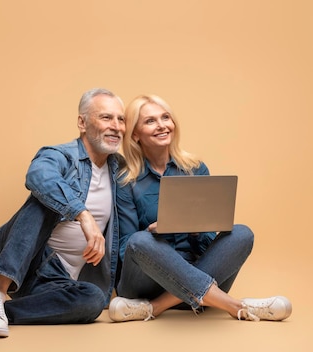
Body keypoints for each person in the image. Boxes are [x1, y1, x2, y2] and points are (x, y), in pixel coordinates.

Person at [0, 88, 126, 337]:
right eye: (106, 117)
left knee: (93, 300)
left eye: (121, 119)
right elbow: (38, 175)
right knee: (44, 198)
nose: (116, 126)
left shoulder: (120, 169)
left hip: (55, 283)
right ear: (82, 122)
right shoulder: (60, 155)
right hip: (26, 258)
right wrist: (83, 215)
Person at [108, 94, 292, 322]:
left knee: (242, 233)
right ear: (135, 134)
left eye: (166, 117)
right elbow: (127, 248)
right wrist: (153, 233)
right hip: (146, 282)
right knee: (140, 241)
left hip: (196, 269)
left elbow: (208, 238)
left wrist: (194, 230)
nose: (162, 125)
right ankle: (237, 306)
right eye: (150, 121)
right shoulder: (126, 180)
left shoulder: (195, 168)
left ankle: (156, 307)